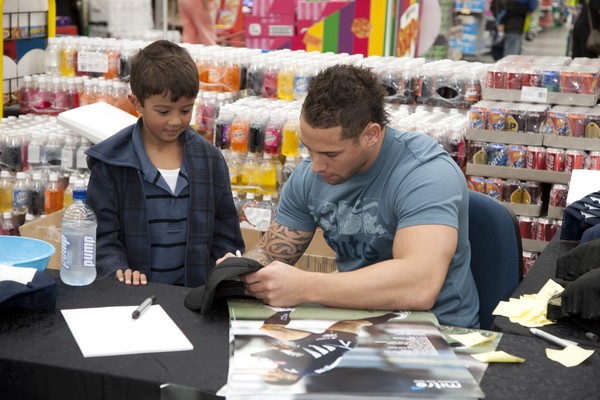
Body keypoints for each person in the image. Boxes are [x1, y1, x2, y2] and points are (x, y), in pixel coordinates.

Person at [220, 64, 479, 328]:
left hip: (440, 330)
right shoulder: (309, 175)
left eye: (332, 154)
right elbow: (273, 253)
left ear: (371, 134)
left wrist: (306, 286)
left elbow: (419, 285)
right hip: (353, 321)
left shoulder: (426, 174)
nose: (317, 165)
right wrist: (243, 269)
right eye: (310, 149)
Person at [85, 40, 244, 287]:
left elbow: (226, 234)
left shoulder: (210, 161)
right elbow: (101, 238)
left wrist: (224, 268)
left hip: (195, 298)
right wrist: (120, 270)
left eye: (185, 110)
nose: (175, 121)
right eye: (163, 111)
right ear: (136, 102)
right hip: (134, 298)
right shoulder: (111, 164)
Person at [253, 309, 400, 385]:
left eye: (267, 373)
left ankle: (285, 309)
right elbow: (275, 356)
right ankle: (395, 315)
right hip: (339, 342)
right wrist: (257, 356)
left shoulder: (296, 367)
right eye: (273, 376)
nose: (271, 371)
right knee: (354, 323)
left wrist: (289, 349)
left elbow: (288, 355)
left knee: (268, 329)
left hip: (312, 342)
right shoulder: (297, 370)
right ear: (291, 378)